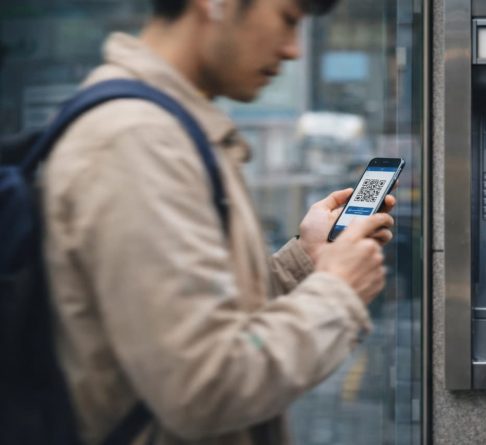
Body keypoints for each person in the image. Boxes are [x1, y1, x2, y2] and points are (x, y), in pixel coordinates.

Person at [41, 0, 396, 443]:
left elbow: (206, 317)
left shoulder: (168, 126)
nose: (293, 50)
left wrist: (305, 262)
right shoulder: (138, 142)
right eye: (288, 19)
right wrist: (338, 293)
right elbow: (203, 385)